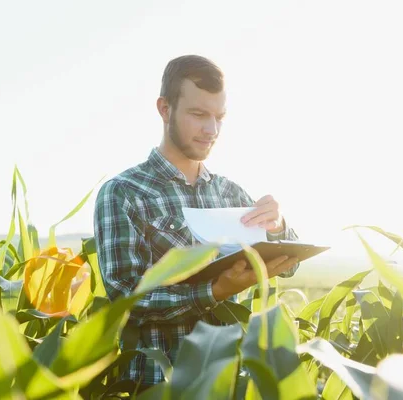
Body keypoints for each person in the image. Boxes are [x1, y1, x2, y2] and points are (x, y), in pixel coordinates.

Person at [93, 54, 300, 390]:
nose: (212, 130)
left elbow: (288, 266)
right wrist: (214, 292)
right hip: (158, 385)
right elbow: (127, 300)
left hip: (229, 383)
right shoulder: (123, 193)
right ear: (164, 109)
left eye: (219, 117)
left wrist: (278, 227)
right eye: (198, 114)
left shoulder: (231, 194)